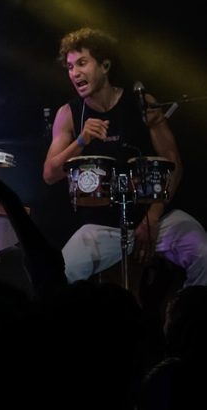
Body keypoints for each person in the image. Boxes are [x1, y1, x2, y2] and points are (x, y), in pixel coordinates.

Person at [43, 27, 207, 286]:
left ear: (104, 66)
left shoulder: (140, 102)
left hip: (157, 218)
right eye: (70, 67)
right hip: (102, 227)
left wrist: (153, 218)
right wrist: (81, 141)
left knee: (203, 253)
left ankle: (186, 310)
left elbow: (173, 163)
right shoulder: (69, 113)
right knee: (59, 276)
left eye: (82, 63)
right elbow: (49, 174)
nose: (74, 73)